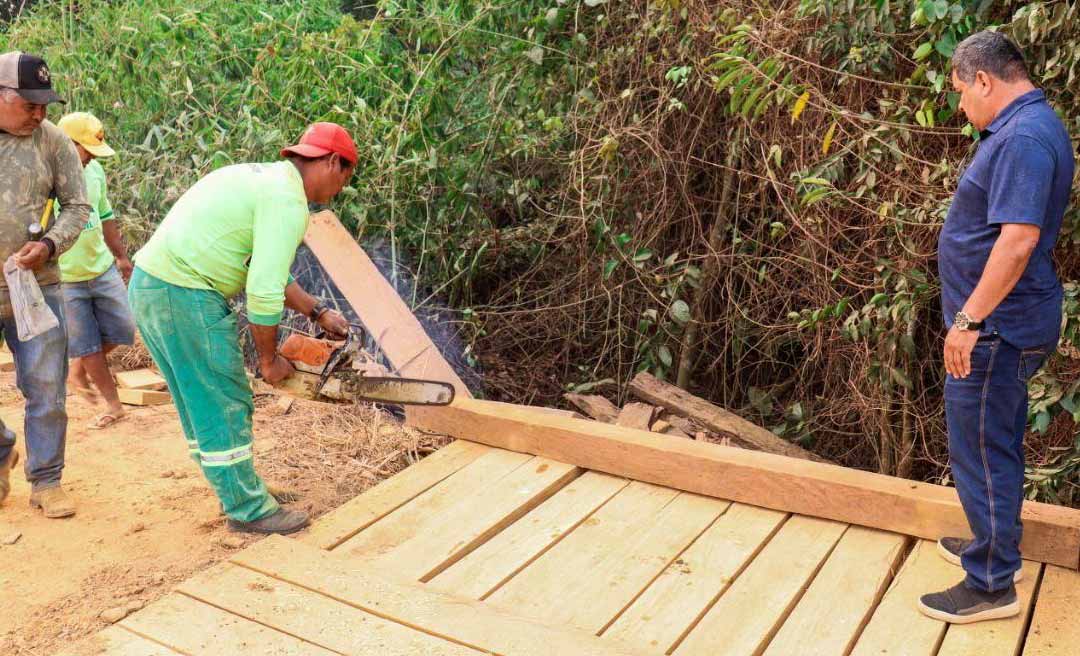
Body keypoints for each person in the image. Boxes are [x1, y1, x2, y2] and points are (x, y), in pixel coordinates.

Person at [129, 122, 354, 535]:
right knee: (224, 399)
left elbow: (259, 266)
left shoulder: (264, 180)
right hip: (184, 293)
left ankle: (239, 488)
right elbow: (264, 293)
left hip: (152, 285)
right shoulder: (289, 201)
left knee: (201, 400)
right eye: (346, 176)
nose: (341, 187)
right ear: (333, 162)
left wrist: (318, 312)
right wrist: (269, 361)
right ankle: (248, 509)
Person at [919, 31, 1074, 624]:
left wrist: (967, 320)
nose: (961, 106)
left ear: (984, 80)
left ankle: (990, 584)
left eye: (961, 91)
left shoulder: (1026, 139)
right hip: (1000, 324)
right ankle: (993, 547)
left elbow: (1017, 241)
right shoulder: (1024, 129)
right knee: (991, 440)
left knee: (983, 448)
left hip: (997, 330)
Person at [0, 51, 90, 517]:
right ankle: (2, 455)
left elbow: (78, 207)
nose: (39, 114)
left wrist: (51, 245)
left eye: (45, 105)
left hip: (36, 286)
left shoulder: (52, 141)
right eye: (29, 105)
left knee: (45, 388)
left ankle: (47, 480)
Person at [56, 111, 137, 430]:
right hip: (65, 279)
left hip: (101, 268)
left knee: (123, 329)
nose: (91, 157)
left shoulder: (95, 171)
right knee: (88, 344)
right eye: (86, 149)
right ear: (65, 144)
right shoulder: (44, 178)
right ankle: (113, 405)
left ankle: (78, 366)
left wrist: (121, 256)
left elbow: (105, 215)